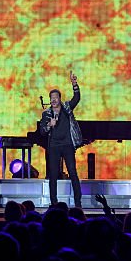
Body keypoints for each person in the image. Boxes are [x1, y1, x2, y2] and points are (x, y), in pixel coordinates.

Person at [39, 71, 83, 208]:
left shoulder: (66, 108)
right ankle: (54, 203)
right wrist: (48, 125)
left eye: (55, 97)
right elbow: (41, 131)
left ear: (60, 99)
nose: (53, 100)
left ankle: (77, 203)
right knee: (53, 174)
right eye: (51, 98)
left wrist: (74, 84)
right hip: (53, 146)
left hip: (68, 144)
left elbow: (77, 98)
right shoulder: (46, 114)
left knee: (72, 172)